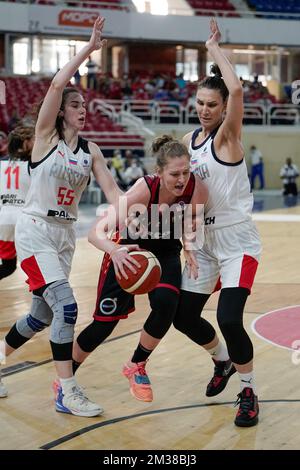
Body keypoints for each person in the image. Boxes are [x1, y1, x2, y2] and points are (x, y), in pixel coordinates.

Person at [0, 16, 122, 416]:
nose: (82, 110)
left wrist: (146, 210)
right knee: (68, 309)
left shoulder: (93, 151)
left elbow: (115, 195)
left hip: (64, 235)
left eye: (85, 105)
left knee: (41, 314)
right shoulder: (45, 139)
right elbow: (56, 85)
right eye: (75, 104)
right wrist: (88, 50)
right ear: (61, 111)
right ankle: (66, 391)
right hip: (35, 229)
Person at [66, 136, 207, 403]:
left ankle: (136, 365)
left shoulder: (197, 188)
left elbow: (190, 223)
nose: (181, 179)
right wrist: (115, 251)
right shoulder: (144, 189)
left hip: (165, 251)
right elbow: (96, 233)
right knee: (103, 326)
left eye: (186, 172)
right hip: (128, 251)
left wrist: (189, 249)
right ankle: (65, 378)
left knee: (167, 303)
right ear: (159, 172)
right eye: (174, 174)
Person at [172, 19, 261, 427]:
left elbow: (238, 88)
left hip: (236, 241)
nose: (205, 110)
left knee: (228, 318)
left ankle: (248, 391)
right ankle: (222, 361)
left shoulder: (227, 138)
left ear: (224, 109)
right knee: (184, 316)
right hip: (203, 241)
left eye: (212, 104)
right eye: (201, 103)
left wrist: (213, 49)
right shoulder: (189, 142)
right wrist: (187, 240)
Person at [0, 124, 34, 282]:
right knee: (36, 267)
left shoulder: (2, 162)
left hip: (4, 219)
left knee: (8, 266)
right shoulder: (34, 164)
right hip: (26, 219)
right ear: (26, 142)